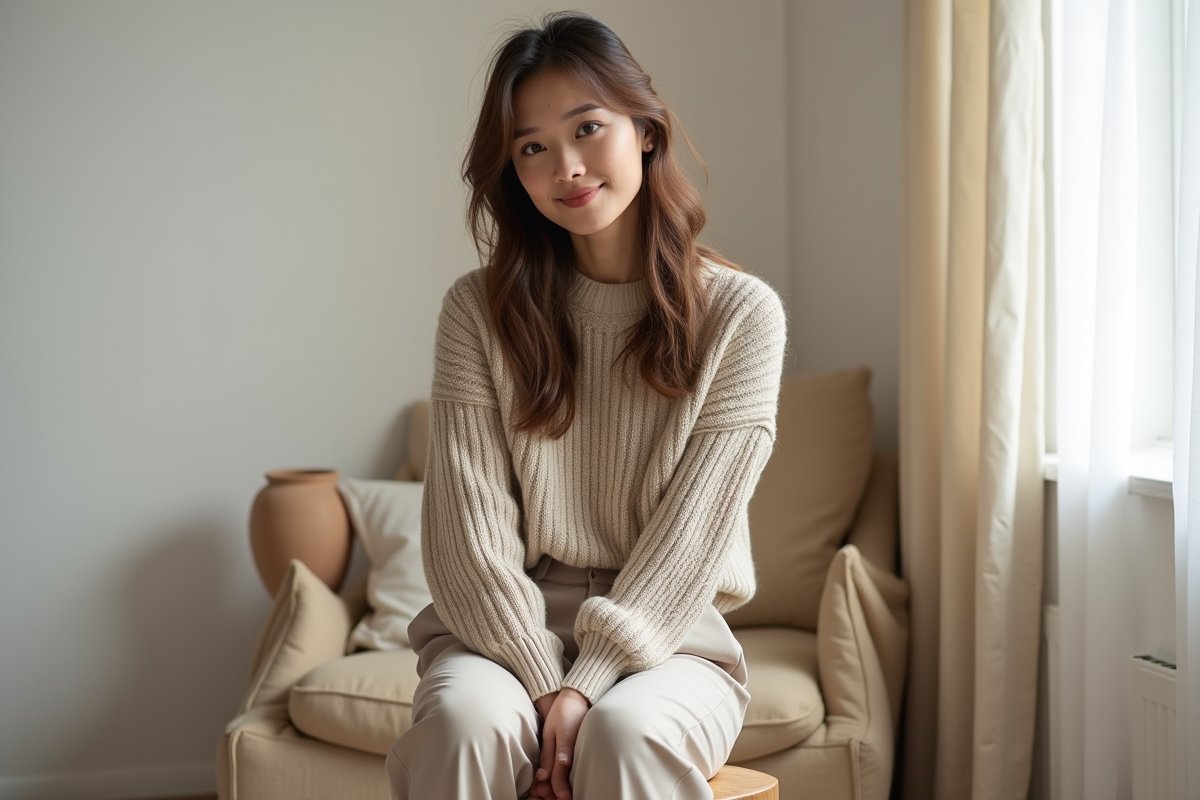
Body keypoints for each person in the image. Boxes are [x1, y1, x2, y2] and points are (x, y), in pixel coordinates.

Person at [386, 12, 786, 800]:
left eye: (588, 128)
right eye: (532, 147)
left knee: (624, 731)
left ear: (644, 128)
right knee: (468, 727)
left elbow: (691, 541)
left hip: (671, 639)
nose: (565, 166)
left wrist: (589, 681)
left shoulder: (742, 315)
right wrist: (544, 681)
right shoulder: (477, 311)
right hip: (500, 635)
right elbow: (467, 536)